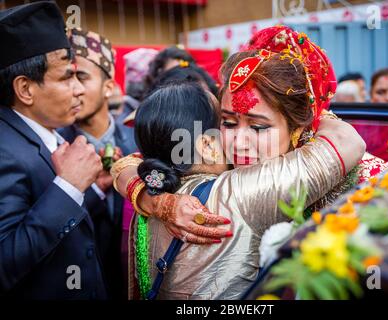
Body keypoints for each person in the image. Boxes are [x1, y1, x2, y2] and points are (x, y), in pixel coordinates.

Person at [118, 81, 365, 299]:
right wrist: (304, 108)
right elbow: (347, 142)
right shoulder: (233, 192)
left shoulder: (152, 190)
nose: (237, 139)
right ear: (206, 145)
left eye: (255, 126)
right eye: (226, 123)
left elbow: (127, 164)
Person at [0, 2, 106, 299]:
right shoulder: (4, 149)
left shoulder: (49, 132)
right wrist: (69, 185)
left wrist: (94, 187)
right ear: (25, 89)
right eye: (66, 77)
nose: (79, 89)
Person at [58, 28, 137, 299]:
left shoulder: (138, 139)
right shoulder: (54, 149)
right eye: (66, 77)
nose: (74, 89)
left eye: (81, 76)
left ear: (108, 86)